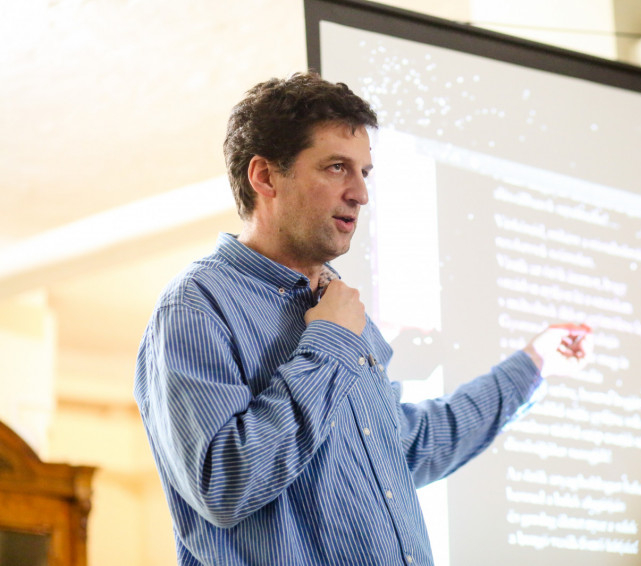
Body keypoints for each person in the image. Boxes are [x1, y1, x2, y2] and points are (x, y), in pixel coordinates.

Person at [134, 72, 589, 566]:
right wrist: (329, 341)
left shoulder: (339, 306)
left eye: (364, 172)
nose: (360, 194)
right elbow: (224, 484)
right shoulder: (197, 306)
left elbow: (406, 447)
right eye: (336, 167)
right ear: (264, 176)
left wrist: (533, 365)